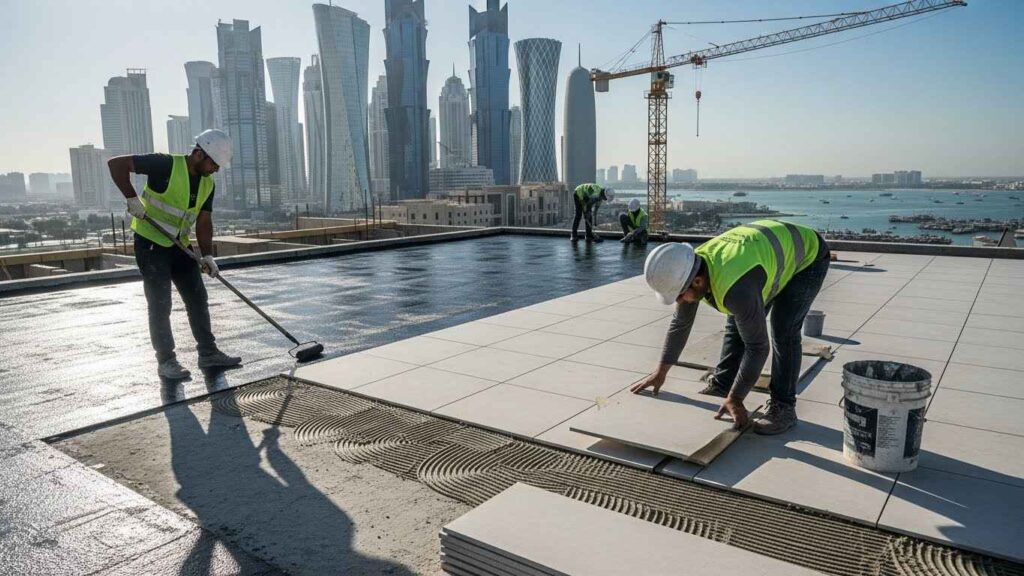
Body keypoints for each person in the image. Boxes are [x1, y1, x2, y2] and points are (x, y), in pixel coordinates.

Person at [630, 220, 830, 435]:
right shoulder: (691, 267)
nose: (680, 302)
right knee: (738, 319)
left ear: (697, 282)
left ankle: (784, 407)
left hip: (808, 257)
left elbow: (758, 347)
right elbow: (681, 323)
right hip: (764, 255)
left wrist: (737, 399)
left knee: (784, 330)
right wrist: (661, 371)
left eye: (679, 296)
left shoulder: (736, 287)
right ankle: (722, 384)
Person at [107, 129, 242, 380]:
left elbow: (203, 221)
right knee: (160, 304)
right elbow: (116, 165)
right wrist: (131, 198)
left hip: (179, 244)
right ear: (199, 153)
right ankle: (166, 361)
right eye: (214, 163)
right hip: (150, 243)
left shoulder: (207, 183)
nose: (216, 170)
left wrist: (207, 256)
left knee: (197, 298)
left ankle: (208, 352)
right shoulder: (166, 164)